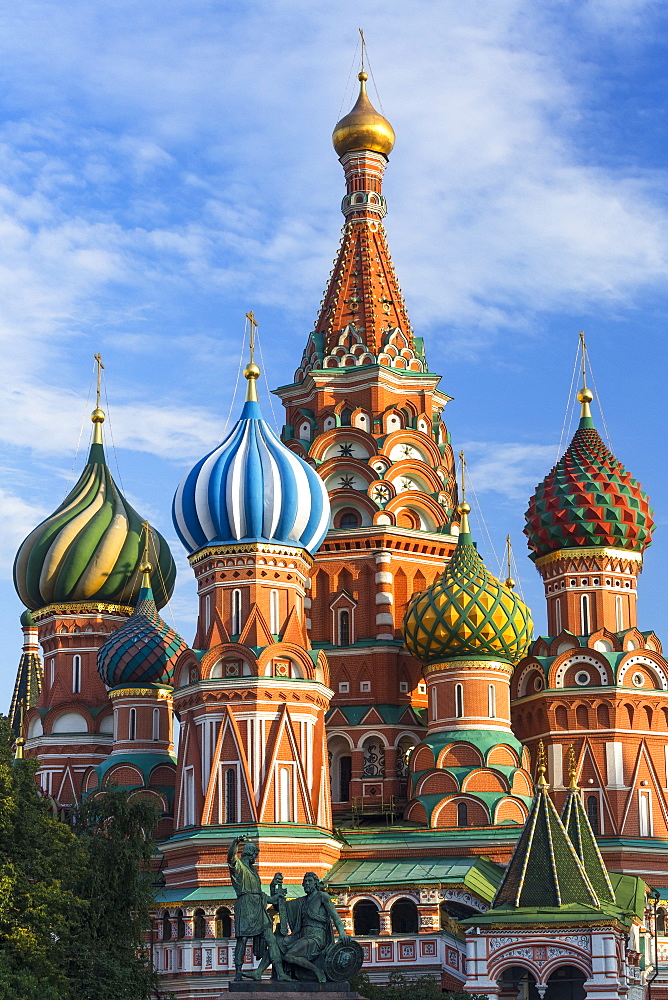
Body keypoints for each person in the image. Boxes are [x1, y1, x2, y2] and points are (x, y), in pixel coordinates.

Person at [227, 837, 290, 982]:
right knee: (242, 939)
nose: (256, 857)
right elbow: (230, 858)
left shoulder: (253, 871)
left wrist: (274, 890)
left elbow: (261, 895)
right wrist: (236, 842)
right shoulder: (238, 867)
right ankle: (238, 971)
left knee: (271, 940)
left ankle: (280, 973)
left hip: (258, 908)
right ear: (250, 854)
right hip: (245, 906)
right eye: (255, 854)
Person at [279, 871, 347, 983]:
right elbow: (283, 906)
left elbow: (336, 917)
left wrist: (342, 935)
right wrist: (275, 891)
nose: (306, 883)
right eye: (305, 881)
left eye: (309, 881)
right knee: (278, 943)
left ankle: (317, 971)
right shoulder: (302, 901)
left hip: (317, 937)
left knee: (289, 956)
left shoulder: (322, 896)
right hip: (302, 935)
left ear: (315, 883)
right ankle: (271, 973)